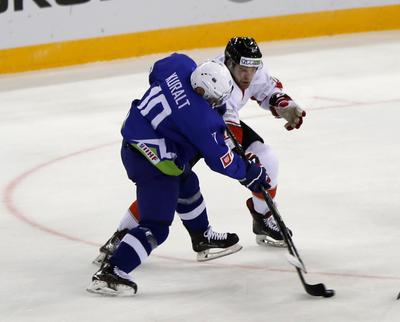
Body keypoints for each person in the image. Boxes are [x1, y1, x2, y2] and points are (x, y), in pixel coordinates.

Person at [87, 53, 271, 296]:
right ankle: (112, 271)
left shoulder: (180, 66)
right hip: (152, 164)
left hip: (137, 139)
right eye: (214, 100)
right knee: (156, 226)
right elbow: (222, 161)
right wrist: (251, 173)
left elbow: (155, 70)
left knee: (187, 181)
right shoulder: (200, 121)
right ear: (204, 93)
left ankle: (201, 236)